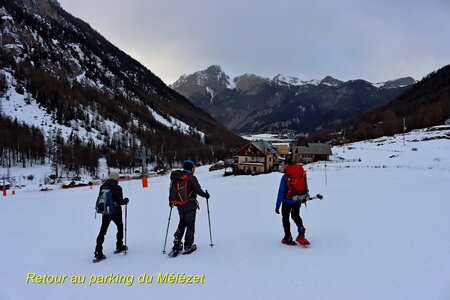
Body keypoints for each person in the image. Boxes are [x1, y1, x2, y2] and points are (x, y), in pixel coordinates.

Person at [171, 160, 210, 254]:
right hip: (190, 205)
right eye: (193, 167)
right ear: (191, 168)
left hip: (179, 205)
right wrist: (205, 195)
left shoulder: (178, 177)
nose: (194, 169)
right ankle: (188, 245)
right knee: (190, 225)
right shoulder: (191, 178)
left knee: (182, 222)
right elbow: (198, 190)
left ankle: (177, 241)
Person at [275, 158, 310, 246]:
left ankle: (288, 237)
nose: (281, 166)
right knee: (296, 215)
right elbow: (304, 186)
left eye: (283, 164)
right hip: (298, 199)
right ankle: (301, 231)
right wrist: (303, 198)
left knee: (285, 218)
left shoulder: (286, 176)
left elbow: (281, 192)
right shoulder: (300, 173)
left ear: (287, 165)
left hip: (287, 200)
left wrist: (277, 205)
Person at [94, 172, 129, 260]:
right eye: (118, 178)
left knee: (103, 230)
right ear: (115, 178)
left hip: (105, 211)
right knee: (120, 227)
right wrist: (126, 201)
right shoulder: (117, 188)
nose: (119, 179)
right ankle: (119, 245)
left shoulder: (103, 186)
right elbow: (120, 202)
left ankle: (98, 251)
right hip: (115, 212)